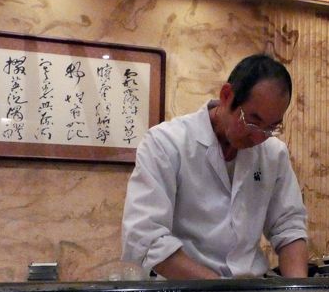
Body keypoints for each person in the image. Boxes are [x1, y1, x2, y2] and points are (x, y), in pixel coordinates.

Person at [121, 54, 308, 279]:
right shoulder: (166, 143)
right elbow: (145, 237)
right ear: (226, 96)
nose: (259, 137)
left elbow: (289, 227)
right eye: (252, 121)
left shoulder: (273, 153)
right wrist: (219, 289)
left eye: (271, 127)